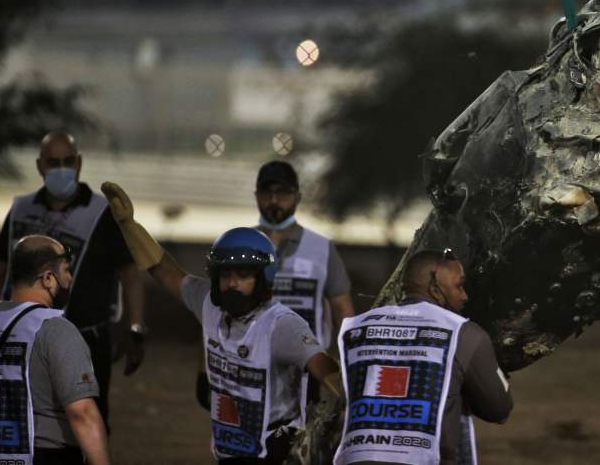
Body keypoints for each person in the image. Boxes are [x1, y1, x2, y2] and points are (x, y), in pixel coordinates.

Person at [100, 181, 341, 464]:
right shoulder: (209, 304)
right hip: (229, 454)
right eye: (225, 275)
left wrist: (341, 422)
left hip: (276, 456)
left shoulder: (282, 326)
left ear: (264, 278)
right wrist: (129, 225)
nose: (232, 283)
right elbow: (163, 270)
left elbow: (326, 370)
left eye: (243, 275)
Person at [0, 131, 146, 427]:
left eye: (68, 161)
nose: (61, 168)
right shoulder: (22, 209)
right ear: (39, 166)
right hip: (23, 340)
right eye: (53, 162)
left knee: (87, 420)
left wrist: (134, 327)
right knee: (23, 420)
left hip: (86, 338)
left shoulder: (103, 213)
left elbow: (130, 274)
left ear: (79, 164)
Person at [334, 249, 513, 465]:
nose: (464, 295)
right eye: (459, 286)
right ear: (435, 289)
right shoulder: (462, 332)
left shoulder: (355, 328)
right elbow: (499, 410)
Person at [0, 235, 111, 465]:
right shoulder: (55, 330)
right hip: (45, 455)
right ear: (48, 279)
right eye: (66, 270)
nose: (70, 278)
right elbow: (82, 412)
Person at [254, 160, 355, 347]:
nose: (274, 201)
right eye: (267, 193)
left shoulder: (321, 248)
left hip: (310, 367)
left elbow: (342, 309)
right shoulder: (243, 245)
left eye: (283, 193)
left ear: (297, 197)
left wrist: (348, 362)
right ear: (257, 196)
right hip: (253, 363)